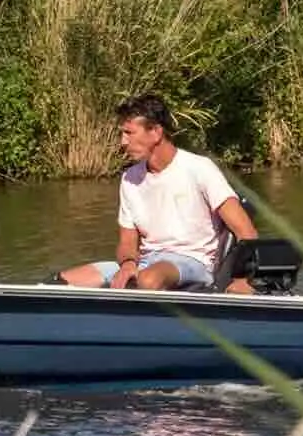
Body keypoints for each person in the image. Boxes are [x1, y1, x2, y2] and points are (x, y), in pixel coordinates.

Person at [56, 93, 259, 293]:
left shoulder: (200, 169)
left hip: (194, 263)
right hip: (145, 262)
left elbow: (246, 233)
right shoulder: (129, 179)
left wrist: (242, 279)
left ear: (155, 132)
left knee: (148, 280)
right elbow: (127, 242)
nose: (122, 142)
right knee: (61, 282)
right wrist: (127, 264)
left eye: (129, 133)